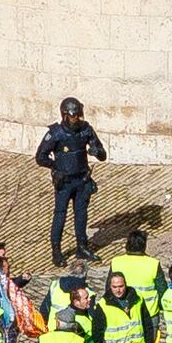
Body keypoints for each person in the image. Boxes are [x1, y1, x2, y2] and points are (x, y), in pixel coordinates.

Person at [36, 98, 105, 262]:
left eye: (79, 115)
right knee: (60, 215)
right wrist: (55, 167)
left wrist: (97, 151)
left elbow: (102, 154)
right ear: (66, 115)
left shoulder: (86, 130)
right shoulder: (56, 133)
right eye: (75, 116)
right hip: (65, 182)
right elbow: (40, 157)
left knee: (81, 215)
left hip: (82, 180)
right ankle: (56, 251)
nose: (78, 119)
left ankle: (82, 247)